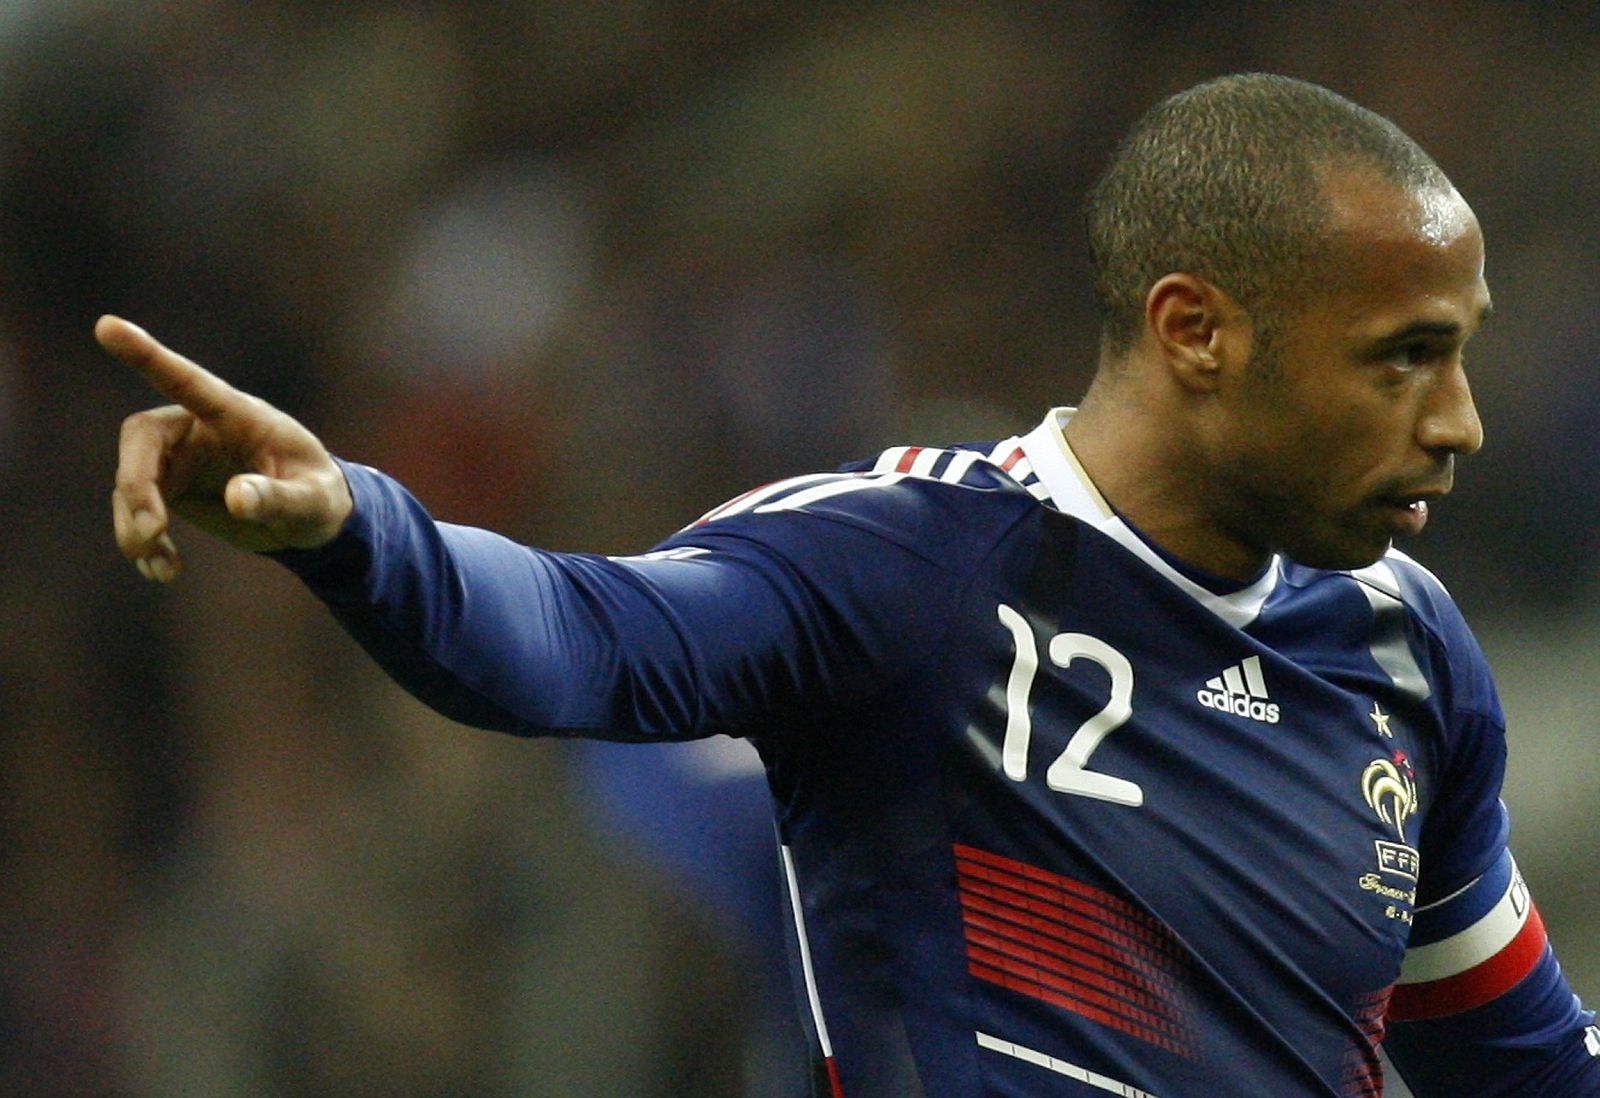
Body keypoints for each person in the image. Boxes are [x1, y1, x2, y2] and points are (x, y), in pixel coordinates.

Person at [106, 73, 1600, 1096]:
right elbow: (578, 636)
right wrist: (353, 524)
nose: (1460, 415)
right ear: (1195, 329)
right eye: (1404, 355)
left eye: (1460, 352)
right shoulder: (909, 563)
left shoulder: (1407, 650)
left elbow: (1518, 1059)